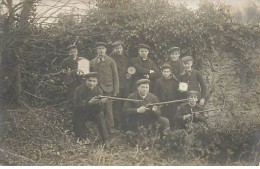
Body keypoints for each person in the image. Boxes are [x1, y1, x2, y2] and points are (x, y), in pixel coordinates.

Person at [73, 72, 110, 146]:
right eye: (89, 80)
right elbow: (77, 105)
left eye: (94, 81)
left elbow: (99, 109)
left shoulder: (99, 90)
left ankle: (105, 139)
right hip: (81, 112)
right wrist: (89, 102)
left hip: (93, 112)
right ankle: (82, 138)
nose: (91, 83)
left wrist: (101, 103)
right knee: (78, 120)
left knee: (100, 115)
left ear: (97, 82)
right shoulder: (79, 89)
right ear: (85, 81)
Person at [90, 42, 119, 132]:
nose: (101, 50)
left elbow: (115, 76)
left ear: (106, 50)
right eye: (99, 48)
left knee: (108, 108)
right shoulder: (93, 61)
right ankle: (98, 127)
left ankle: (110, 127)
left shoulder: (111, 60)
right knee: (97, 107)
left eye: (103, 48)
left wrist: (115, 90)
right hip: (97, 88)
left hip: (108, 87)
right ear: (97, 50)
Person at [109, 41, 131, 129]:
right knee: (116, 105)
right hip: (116, 84)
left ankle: (125, 124)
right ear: (114, 49)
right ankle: (116, 124)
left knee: (125, 104)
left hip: (126, 84)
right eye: (116, 48)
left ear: (122, 48)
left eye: (120, 48)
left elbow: (130, 67)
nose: (119, 50)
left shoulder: (126, 56)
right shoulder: (111, 58)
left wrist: (129, 74)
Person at [153, 63, 180, 129]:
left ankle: (172, 134)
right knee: (163, 119)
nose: (166, 73)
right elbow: (155, 93)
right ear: (162, 72)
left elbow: (177, 92)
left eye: (167, 72)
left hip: (172, 104)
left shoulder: (174, 81)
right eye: (164, 71)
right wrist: (158, 102)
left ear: (170, 72)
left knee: (172, 118)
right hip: (162, 104)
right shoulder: (158, 81)